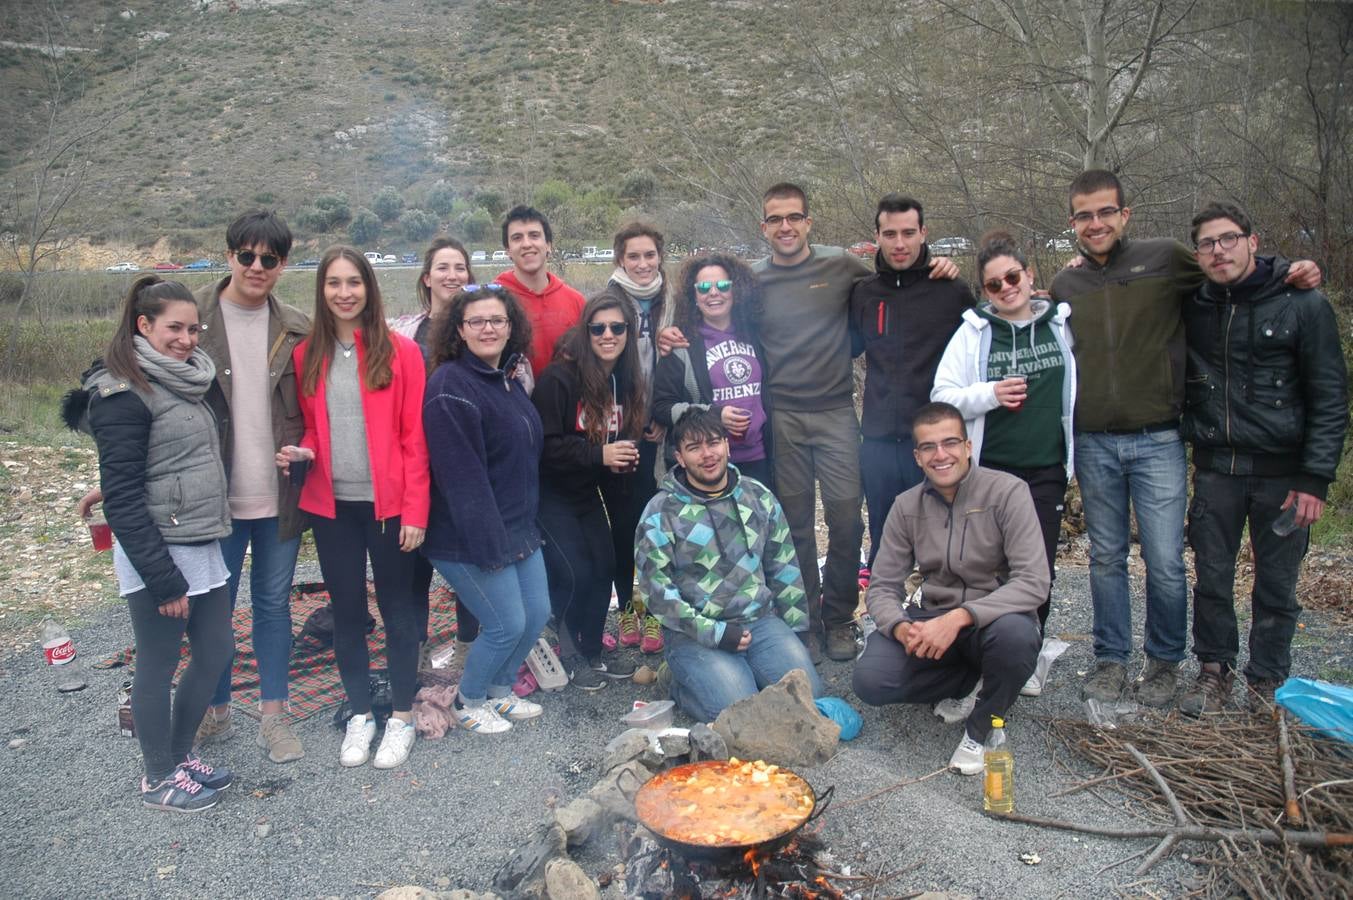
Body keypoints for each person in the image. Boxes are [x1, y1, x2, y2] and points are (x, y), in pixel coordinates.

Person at [1050, 170, 1322, 709]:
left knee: (1166, 559)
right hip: (1094, 441)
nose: (1096, 223)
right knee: (1105, 557)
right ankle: (1110, 659)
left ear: (1125, 215)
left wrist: (1291, 268)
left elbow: (1231, 268)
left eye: (1106, 211)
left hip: (1159, 439)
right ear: (1073, 223)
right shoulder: (1066, 284)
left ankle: (1165, 662)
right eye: (1085, 215)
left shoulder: (1167, 257)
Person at [661, 182, 960, 663]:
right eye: (775, 219)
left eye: (793, 217)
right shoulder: (751, 280)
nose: (785, 227)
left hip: (837, 412)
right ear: (763, 227)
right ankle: (804, 621)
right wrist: (670, 333)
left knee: (845, 520)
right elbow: (714, 317)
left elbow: (894, 276)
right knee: (794, 526)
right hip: (782, 418)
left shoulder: (839, 264)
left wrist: (938, 263)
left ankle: (840, 617)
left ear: (808, 222)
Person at [63, 277, 234, 811]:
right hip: (158, 550)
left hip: (199, 538)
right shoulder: (121, 392)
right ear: (144, 326)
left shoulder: (183, 380)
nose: (186, 339)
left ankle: (179, 756)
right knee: (158, 661)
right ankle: (157, 776)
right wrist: (163, 579)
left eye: (192, 328)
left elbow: (162, 460)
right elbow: (124, 498)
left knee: (216, 651)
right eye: (173, 328)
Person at [1177, 202, 1347, 716]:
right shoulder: (1194, 304)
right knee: (1211, 578)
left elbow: (1329, 395)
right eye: (1207, 243)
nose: (1218, 251)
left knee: (1277, 585)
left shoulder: (1302, 304)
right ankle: (1213, 671)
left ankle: (1266, 680)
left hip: (1284, 477)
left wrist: (1315, 478)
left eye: (1228, 239)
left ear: (1252, 242)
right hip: (1217, 471)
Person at [277, 246, 430, 769]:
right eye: (333, 283)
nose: (344, 293)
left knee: (398, 611)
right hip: (331, 505)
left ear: (369, 287)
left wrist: (415, 510)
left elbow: (414, 438)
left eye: (354, 282)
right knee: (346, 612)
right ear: (321, 292)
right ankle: (362, 712)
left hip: (388, 507)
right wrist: (305, 451)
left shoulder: (400, 352)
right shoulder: (308, 356)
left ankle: (402, 717)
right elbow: (314, 429)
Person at [852, 402, 1046, 775]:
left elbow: (1033, 580)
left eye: (950, 443)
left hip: (995, 619)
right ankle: (975, 680)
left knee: (1016, 640)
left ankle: (982, 727)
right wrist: (900, 627)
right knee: (871, 679)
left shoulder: (1007, 492)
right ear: (917, 456)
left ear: (968, 447)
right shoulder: (906, 506)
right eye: (929, 447)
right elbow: (881, 587)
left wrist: (961, 617)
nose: (941, 455)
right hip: (934, 615)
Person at [931, 231, 1076, 695]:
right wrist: (990, 394)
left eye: (1013, 277)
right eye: (994, 284)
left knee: (1038, 568)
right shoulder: (973, 332)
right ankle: (989, 654)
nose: (1006, 288)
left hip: (1047, 466)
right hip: (992, 471)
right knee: (989, 567)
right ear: (985, 292)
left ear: (1030, 276)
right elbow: (943, 396)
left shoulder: (1061, 324)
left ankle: (1027, 653)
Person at [194, 210, 309, 762]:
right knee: (212, 611)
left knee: (272, 605)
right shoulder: (189, 319)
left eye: (270, 258)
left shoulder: (298, 327)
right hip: (211, 500)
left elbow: (317, 411)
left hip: (279, 498)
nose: (257, 266)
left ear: (283, 265)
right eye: (247, 255)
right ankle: (214, 712)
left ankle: (273, 718)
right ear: (230, 255)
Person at [635, 408, 820, 721]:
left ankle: (749, 674)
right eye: (694, 448)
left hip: (760, 622)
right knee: (737, 714)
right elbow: (657, 594)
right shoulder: (660, 512)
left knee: (808, 700)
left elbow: (784, 567)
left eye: (714, 443)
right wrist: (715, 633)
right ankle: (676, 681)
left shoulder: (757, 496)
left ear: (727, 446)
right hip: (697, 635)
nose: (707, 455)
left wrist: (797, 631)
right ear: (679, 457)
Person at [422, 284, 550, 733]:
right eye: (477, 321)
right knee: (503, 624)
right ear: (460, 330)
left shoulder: (506, 381)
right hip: (468, 536)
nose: (488, 328)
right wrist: (490, 546)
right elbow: (463, 481)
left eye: (497, 320)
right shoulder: (450, 386)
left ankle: (499, 691)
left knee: (536, 615)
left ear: (510, 327)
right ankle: (469, 700)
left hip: (518, 525)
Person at [850, 194, 974, 576]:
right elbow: (842, 347)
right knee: (886, 541)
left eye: (908, 233)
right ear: (877, 236)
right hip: (880, 440)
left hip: (936, 439)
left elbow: (984, 346)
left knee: (947, 542)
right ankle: (885, 624)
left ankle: (947, 624)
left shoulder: (951, 290)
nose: (899, 243)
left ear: (924, 232)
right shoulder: (864, 293)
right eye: (890, 234)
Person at [532, 294, 643, 690]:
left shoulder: (626, 380)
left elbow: (620, 438)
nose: (608, 335)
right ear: (586, 331)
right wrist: (599, 454)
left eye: (617, 327)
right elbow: (544, 444)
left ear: (630, 332)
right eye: (598, 328)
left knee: (605, 565)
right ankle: (570, 654)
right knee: (575, 571)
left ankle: (593, 648)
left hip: (587, 491)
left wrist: (622, 459)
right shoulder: (560, 378)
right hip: (551, 492)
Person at [390, 236, 482, 677]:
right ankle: (418, 649)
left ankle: (468, 647)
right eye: (443, 268)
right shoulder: (404, 332)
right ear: (426, 278)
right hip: (414, 462)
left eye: (460, 268)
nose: (452, 276)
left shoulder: (481, 327)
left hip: (465, 462)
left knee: (467, 557)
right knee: (414, 562)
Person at [594, 223, 671, 656]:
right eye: (633, 256)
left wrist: (660, 415)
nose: (642, 264)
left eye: (649, 255)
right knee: (625, 524)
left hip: (666, 431)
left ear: (660, 256)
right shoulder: (609, 304)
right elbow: (599, 367)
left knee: (661, 526)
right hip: (624, 431)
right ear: (620, 260)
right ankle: (626, 605)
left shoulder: (671, 300)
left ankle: (658, 610)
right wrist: (636, 417)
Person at [653, 251, 774, 487]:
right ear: (693, 295)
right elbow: (661, 407)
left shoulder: (757, 335)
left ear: (735, 290)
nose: (714, 292)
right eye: (704, 287)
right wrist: (713, 414)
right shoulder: (681, 344)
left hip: (759, 457)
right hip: (707, 463)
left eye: (723, 285)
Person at [494, 205, 587, 377]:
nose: (527, 244)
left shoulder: (576, 301)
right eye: (517, 238)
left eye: (534, 236)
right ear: (508, 251)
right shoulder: (493, 301)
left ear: (549, 245)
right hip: (514, 401)